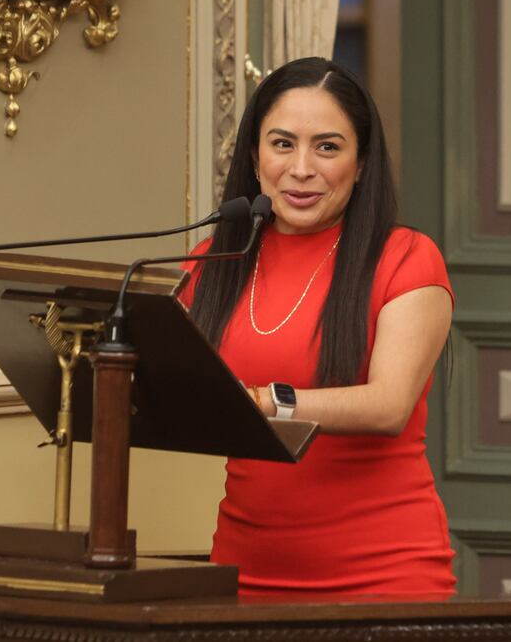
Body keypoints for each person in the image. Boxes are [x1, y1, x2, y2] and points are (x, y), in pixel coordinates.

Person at [179, 56, 455, 596]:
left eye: (327, 147)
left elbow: (388, 406)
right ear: (255, 159)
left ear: (362, 162)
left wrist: (263, 402)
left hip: (383, 576)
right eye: (282, 144)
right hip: (241, 573)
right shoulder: (211, 262)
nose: (301, 168)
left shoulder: (406, 258)